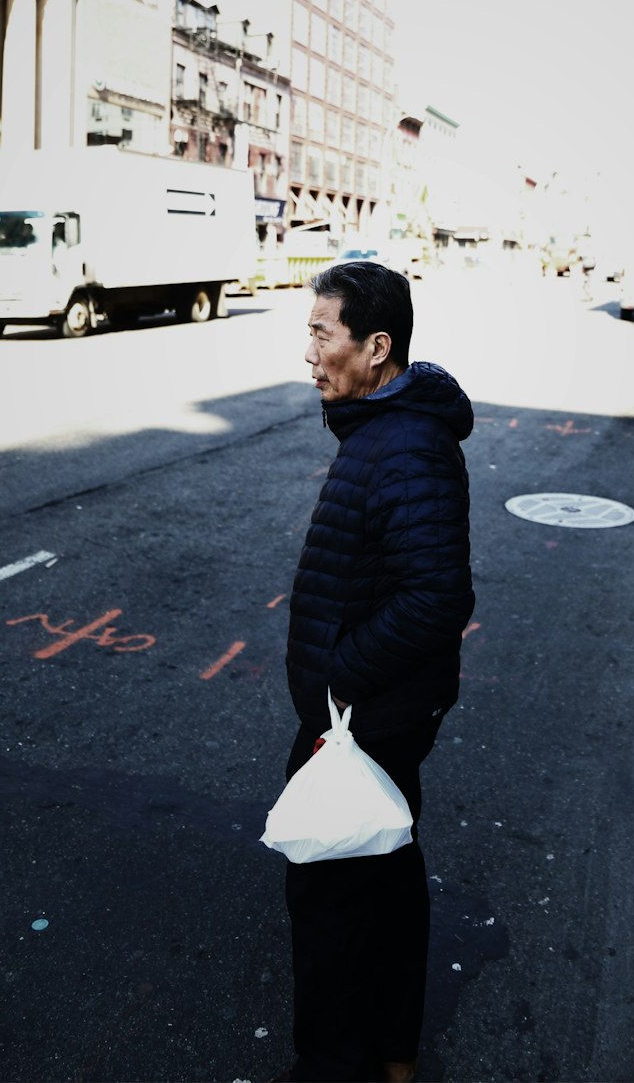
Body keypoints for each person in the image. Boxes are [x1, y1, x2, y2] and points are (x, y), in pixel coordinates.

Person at [274, 260, 474, 1083]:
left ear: (378, 347)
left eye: (324, 335)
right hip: (378, 708)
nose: (310, 355)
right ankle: (393, 1052)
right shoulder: (387, 432)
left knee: (326, 896)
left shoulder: (404, 446)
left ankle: (335, 1065)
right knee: (387, 878)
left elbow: (438, 596)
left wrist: (336, 684)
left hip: (367, 716)